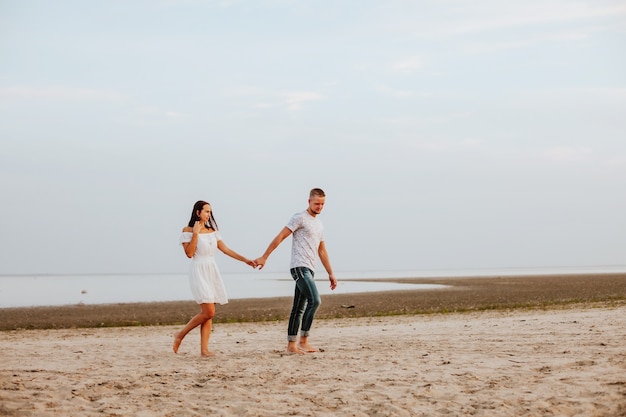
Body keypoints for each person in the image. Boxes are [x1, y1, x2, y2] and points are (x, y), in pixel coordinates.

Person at [255, 188, 338, 354]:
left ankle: (291, 345)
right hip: (299, 267)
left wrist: (330, 273)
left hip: (310, 268)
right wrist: (265, 257)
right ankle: (303, 340)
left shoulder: (319, 224)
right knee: (315, 301)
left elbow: (322, 250)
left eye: (322, 204)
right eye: (317, 204)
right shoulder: (299, 217)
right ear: (309, 202)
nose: (319, 207)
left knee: (298, 308)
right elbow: (280, 237)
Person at [174, 200, 256, 356]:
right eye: (206, 211)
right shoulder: (188, 231)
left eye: (210, 211)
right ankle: (180, 334)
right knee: (209, 312)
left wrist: (246, 260)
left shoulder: (213, 231)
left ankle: (204, 350)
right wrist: (196, 234)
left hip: (212, 270)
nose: (208, 214)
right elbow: (189, 254)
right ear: (198, 213)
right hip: (199, 269)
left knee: (208, 311)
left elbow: (226, 250)